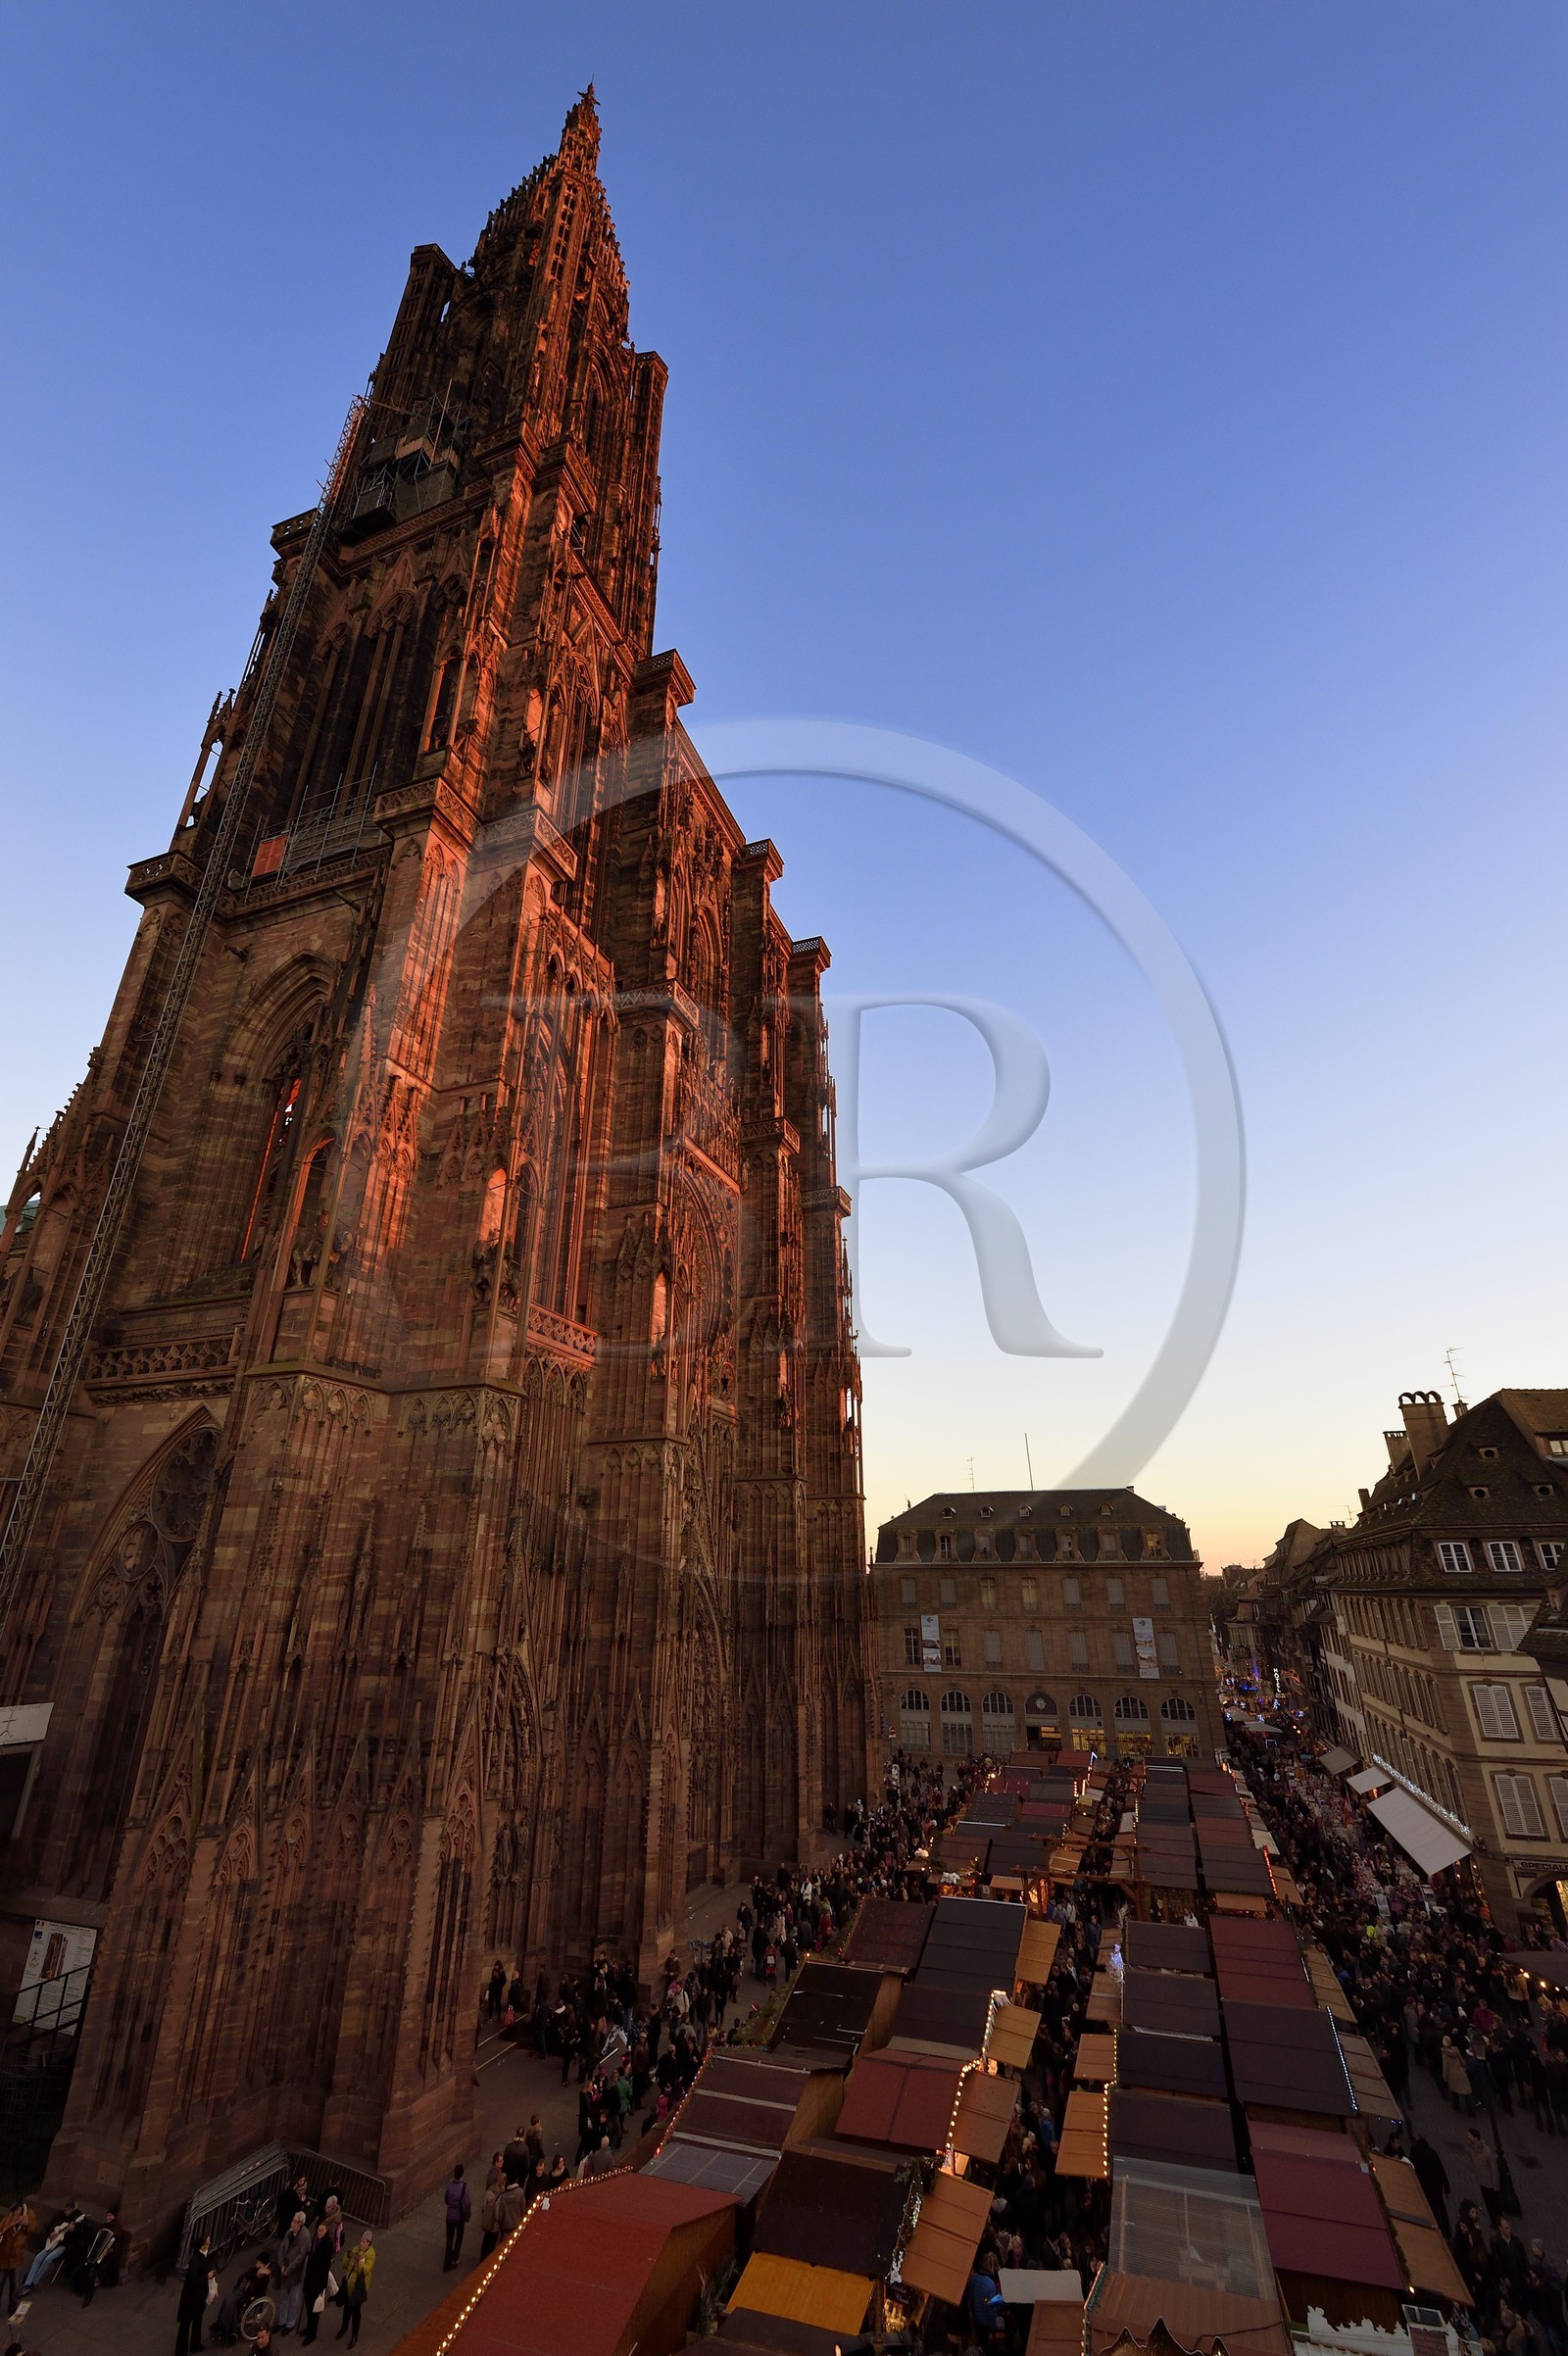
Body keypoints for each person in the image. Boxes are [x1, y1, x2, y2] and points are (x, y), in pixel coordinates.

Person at [176, 2233, 215, 2356]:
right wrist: (207, 2276)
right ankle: (181, 2351)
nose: (209, 2243)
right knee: (185, 2325)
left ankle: (195, 2344)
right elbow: (193, 2280)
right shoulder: (195, 2260)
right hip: (191, 2299)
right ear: (201, 2245)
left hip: (198, 2298)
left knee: (197, 2321)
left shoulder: (203, 2256)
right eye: (207, 2242)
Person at [299, 2222, 335, 2347]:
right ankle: (309, 2328)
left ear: (326, 2231)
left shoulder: (327, 2244)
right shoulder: (314, 2241)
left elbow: (325, 2267)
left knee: (314, 2310)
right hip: (310, 2280)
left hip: (318, 2282)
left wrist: (321, 2286)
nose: (319, 2233)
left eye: (322, 2230)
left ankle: (312, 2333)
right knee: (308, 2306)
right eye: (318, 2230)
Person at [335, 2233, 374, 2349]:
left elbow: (365, 2270)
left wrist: (360, 2261)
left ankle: (354, 2335)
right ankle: (344, 2327)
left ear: (368, 2243)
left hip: (358, 2288)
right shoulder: (355, 2249)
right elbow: (345, 2266)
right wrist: (347, 2257)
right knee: (347, 2308)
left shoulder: (371, 2255)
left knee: (356, 2312)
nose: (361, 2243)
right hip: (349, 2284)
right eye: (361, 2240)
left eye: (364, 2241)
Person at [277, 2212, 312, 2333]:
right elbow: (282, 2248)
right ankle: (281, 2321)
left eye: (295, 2221)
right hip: (285, 2270)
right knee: (283, 2298)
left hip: (296, 2273)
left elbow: (301, 2257)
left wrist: (289, 2269)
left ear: (300, 2223)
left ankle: (290, 2323)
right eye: (293, 2220)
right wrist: (281, 2264)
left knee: (293, 2299)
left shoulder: (305, 2237)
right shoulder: (289, 2232)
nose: (292, 2223)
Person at [0, 2203, 33, 2322]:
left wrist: (26, 2225)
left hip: (16, 2257)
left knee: (15, 2285)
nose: (15, 2213)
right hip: (4, 2257)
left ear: (20, 2209)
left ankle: (12, 2308)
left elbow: (32, 2228)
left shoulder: (28, 2217)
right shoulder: (7, 2220)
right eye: (13, 2211)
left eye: (16, 2210)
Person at [443, 2163, 470, 2270]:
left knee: (449, 2239)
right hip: (459, 2217)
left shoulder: (450, 2186)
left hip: (450, 2216)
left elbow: (446, 2199)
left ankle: (446, 2263)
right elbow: (467, 2202)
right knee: (459, 2237)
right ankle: (455, 2258)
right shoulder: (465, 2187)